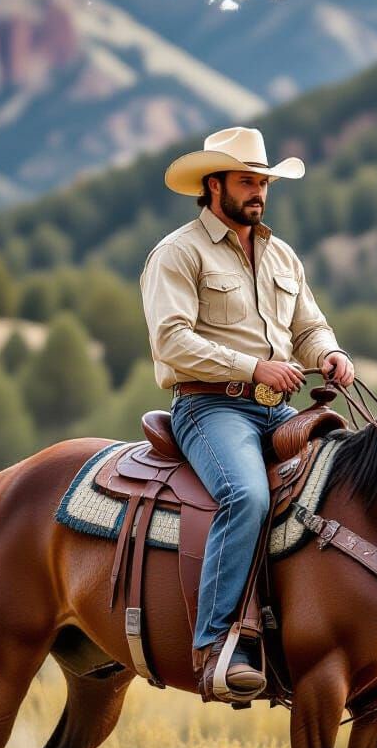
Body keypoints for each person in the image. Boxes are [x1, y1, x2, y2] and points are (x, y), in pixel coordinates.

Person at [140, 126, 354, 702]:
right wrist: (252, 367)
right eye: (247, 181)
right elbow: (171, 341)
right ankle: (216, 645)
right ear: (213, 186)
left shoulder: (281, 254)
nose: (258, 191)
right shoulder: (178, 252)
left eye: (263, 181)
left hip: (276, 408)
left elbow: (308, 326)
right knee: (247, 496)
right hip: (209, 410)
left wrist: (329, 354)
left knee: (354, 481)